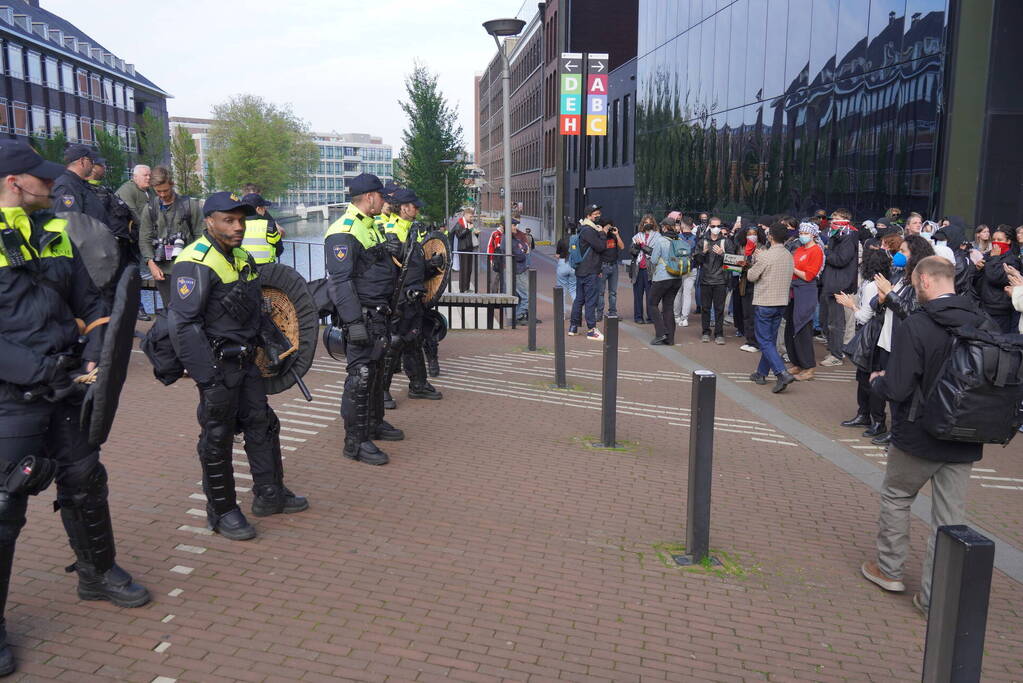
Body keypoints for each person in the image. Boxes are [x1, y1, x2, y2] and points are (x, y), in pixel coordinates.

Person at [0, 142, 151, 675]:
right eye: (40, 178)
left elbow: (91, 303)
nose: (53, 185)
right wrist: (43, 371)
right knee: (4, 505)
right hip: (11, 398)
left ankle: (97, 573)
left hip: (68, 386)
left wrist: (93, 355)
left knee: (86, 480)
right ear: (14, 183)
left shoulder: (57, 231)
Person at [168, 192, 309, 540]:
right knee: (216, 438)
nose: (238, 227)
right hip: (217, 367)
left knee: (262, 424)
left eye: (241, 221)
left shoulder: (242, 256)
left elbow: (255, 307)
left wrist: (274, 345)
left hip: (247, 363)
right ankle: (222, 511)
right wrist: (208, 379)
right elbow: (183, 326)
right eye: (229, 220)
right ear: (209, 221)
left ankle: (269, 494)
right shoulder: (194, 261)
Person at [862, 256, 993, 616]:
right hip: (966, 433)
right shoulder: (982, 321)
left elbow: (900, 386)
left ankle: (889, 570)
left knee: (897, 496)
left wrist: (878, 383)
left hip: (919, 431)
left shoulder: (917, 324)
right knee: (950, 520)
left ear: (923, 280)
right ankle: (936, 597)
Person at [324, 174, 404, 465]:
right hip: (363, 316)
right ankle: (355, 442)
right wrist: (353, 321)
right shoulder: (343, 230)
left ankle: (374, 423)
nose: (385, 201)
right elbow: (341, 281)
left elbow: (376, 267)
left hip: (380, 312)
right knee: (361, 376)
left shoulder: (371, 226)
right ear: (370, 197)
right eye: (381, 196)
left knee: (378, 371)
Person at [871, 235, 933, 446]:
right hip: (887, 338)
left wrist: (889, 294)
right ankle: (889, 428)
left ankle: (899, 434)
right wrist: (882, 298)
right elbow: (882, 303)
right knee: (888, 386)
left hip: (902, 341)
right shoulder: (901, 275)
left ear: (915, 256)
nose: (899, 255)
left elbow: (912, 314)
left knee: (900, 390)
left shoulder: (920, 282)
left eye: (904, 252)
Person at [381, 187, 440, 405]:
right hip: (398, 299)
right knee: (394, 343)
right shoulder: (389, 230)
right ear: (404, 208)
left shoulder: (412, 230)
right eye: (414, 206)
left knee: (414, 340)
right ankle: (382, 391)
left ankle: (418, 384)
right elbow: (389, 270)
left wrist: (431, 266)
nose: (417, 209)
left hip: (414, 296)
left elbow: (412, 266)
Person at [836, 248, 891, 437]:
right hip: (883, 333)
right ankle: (870, 416)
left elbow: (864, 316)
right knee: (871, 376)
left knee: (867, 377)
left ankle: (872, 418)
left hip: (872, 334)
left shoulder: (870, 287)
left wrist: (849, 304)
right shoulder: (890, 282)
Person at [138, 166, 203, 309]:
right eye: (158, 191)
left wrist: (197, 263)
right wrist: (151, 264)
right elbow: (144, 239)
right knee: (170, 310)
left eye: (165, 190)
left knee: (191, 309)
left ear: (172, 184)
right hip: (162, 271)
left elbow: (201, 236)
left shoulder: (189, 206)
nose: (162, 194)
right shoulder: (150, 209)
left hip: (188, 268)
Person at [747, 221, 796, 392]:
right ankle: (761, 373)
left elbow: (752, 276)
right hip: (781, 301)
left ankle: (781, 372)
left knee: (764, 341)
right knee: (770, 340)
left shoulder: (766, 256)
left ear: (770, 236)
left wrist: (756, 259)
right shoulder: (789, 255)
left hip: (765, 302)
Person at [819, 210, 858, 367]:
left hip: (839, 285)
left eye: (836, 218)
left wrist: (826, 251)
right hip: (830, 283)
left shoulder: (848, 238)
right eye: (832, 218)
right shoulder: (836, 235)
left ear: (845, 220)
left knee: (836, 322)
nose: (832, 221)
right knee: (826, 320)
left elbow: (841, 259)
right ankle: (833, 349)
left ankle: (836, 354)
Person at [785, 222, 824, 380]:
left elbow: (809, 275)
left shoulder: (816, 251)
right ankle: (797, 363)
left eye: (805, 233)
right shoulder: (799, 249)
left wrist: (792, 268)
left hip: (806, 292)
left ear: (813, 234)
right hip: (794, 292)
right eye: (801, 232)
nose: (802, 235)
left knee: (803, 329)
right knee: (790, 329)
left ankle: (809, 367)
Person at [693, 216, 735, 344]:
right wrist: (703, 253)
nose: (716, 229)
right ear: (709, 226)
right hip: (705, 279)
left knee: (719, 309)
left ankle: (719, 334)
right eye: (713, 226)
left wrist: (723, 254)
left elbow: (734, 262)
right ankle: (705, 332)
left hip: (720, 280)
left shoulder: (726, 242)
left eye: (718, 226)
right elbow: (696, 261)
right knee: (705, 308)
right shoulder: (702, 241)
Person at [568, 205, 607, 340]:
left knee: (579, 299)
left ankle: (573, 326)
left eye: (599, 213)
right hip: (590, 270)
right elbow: (601, 247)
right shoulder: (589, 230)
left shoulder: (582, 229)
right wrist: (602, 234)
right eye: (596, 214)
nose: (598, 216)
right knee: (590, 300)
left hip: (581, 269)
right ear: (589, 215)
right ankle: (591, 329)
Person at [646, 216, 683, 345]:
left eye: (662, 226)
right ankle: (670, 338)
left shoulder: (661, 241)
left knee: (652, 303)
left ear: (665, 227)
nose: (661, 228)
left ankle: (660, 333)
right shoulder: (679, 239)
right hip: (677, 278)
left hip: (662, 277)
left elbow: (654, 260)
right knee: (668, 307)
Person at [977, 226, 1022, 333]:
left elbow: (995, 277)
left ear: (1009, 241)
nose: (996, 243)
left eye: (1000, 240)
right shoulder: (989, 255)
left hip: (1000, 309)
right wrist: (977, 269)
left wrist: (994, 258)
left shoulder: (1012, 260)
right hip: (984, 307)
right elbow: (977, 279)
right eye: (994, 240)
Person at [51, 144, 109, 225]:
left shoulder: (80, 184)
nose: (93, 166)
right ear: (82, 161)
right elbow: (70, 223)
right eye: (91, 161)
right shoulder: (67, 186)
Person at [737, 222, 768, 353]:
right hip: (745, 282)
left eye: (754, 234)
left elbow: (762, 267)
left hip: (757, 284)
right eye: (749, 234)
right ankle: (749, 340)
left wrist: (748, 264)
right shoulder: (742, 247)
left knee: (755, 314)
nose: (751, 237)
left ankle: (755, 342)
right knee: (747, 313)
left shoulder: (762, 248)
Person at [594, 216, 624, 322]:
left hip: (614, 266)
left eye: (610, 226)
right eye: (607, 226)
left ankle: (612, 312)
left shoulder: (614, 236)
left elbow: (622, 246)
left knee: (613, 292)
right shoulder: (600, 236)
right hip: (603, 266)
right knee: (600, 292)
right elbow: (598, 248)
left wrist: (617, 234)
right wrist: (603, 232)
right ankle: (599, 314)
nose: (609, 228)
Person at [239, 193, 283, 264]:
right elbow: (279, 250)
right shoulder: (269, 225)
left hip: (244, 269)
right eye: (264, 208)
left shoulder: (237, 225)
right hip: (266, 269)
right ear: (258, 209)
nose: (265, 210)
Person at [629, 215, 656, 322]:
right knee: (638, 295)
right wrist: (637, 246)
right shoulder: (637, 236)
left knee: (651, 295)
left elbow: (653, 252)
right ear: (642, 224)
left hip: (650, 269)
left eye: (649, 223)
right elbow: (631, 251)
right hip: (638, 269)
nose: (647, 225)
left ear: (653, 224)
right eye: (645, 223)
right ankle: (638, 317)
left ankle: (651, 317)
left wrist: (642, 246)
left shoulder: (657, 237)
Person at [673, 215, 698, 327]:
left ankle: (676, 316)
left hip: (679, 268)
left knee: (678, 293)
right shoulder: (696, 238)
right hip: (691, 268)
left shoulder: (677, 237)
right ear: (692, 225)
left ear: (682, 225)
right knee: (687, 293)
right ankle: (685, 318)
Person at [511, 219, 535, 323]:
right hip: (518, 270)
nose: (515, 227)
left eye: (516, 225)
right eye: (514, 225)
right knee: (526, 295)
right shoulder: (510, 239)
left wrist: (523, 249)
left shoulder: (517, 236)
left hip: (520, 269)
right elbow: (520, 254)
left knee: (521, 295)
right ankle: (519, 315)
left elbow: (526, 247)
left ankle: (519, 315)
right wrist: (522, 250)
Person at [450, 208, 479, 292]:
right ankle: (462, 288)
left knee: (469, 269)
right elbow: (459, 235)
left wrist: (476, 234)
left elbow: (471, 237)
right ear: (465, 215)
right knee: (464, 269)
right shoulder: (459, 223)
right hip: (463, 249)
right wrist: (467, 229)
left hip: (469, 248)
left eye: (472, 217)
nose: (472, 218)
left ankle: (467, 287)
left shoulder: (470, 223)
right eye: (470, 216)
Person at [555, 226, 577, 303]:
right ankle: (576, 312)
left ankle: (561, 314)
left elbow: (557, 255)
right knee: (573, 289)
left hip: (563, 262)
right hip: (574, 265)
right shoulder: (577, 241)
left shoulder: (561, 240)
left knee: (561, 290)